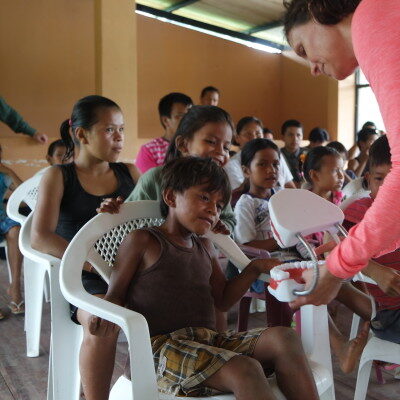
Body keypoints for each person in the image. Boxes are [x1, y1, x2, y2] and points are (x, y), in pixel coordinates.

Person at [90, 157, 319, 400]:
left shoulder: (205, 246)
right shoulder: (144, 240)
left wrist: (252, 269)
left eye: (220, 204)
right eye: (204, 198)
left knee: (285, 337)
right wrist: (103, 315)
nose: (214, 209)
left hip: (209, 342)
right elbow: (115, 294)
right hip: (158, 352)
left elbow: (221, 300)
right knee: (245, 368)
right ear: (170, 198)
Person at [282, 0, 400, 308]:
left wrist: (338, 267)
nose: (312, 69)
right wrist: (351, 253)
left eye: (303, 49)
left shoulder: (371, 18)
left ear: (317, 10)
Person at [30, 95, 140, 400]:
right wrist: (95, 265)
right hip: (85, 277)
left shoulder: (129, 173)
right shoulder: (59, 176)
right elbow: (40, 236)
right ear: (81, 134)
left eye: (122, 129)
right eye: (109, 130)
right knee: (100, 320)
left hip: (131, 270)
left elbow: (148, 224)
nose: (119, 137)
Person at [99, 105, 236, 233]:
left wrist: (221, 227)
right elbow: (126, 222)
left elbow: (230, 221)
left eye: (226, 148)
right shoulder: (156, 178)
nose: (221, 152)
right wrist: (114, 211)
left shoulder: (219, 187)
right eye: (211, 142)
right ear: (183, 144)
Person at [224, 117, 295, 192]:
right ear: (237, 138)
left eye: (258, 134)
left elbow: (290, 185)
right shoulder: (231, 164)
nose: (254, 138)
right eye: (248, 134)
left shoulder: (275, 155)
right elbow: (239, 192)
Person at [135, 92, 193, 173]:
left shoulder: (198, 145)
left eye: (190, 115)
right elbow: (152, 183)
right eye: (180, 116)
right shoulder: (149, 151)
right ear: (166, 120)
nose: (188, 120)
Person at [0, 145, 24, 318]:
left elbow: (25, 193)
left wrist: (8, 171)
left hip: (2, 216)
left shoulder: (4, 174)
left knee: (16, 229)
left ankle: (15, 287)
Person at [280, 119, 306, 188]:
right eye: (290, 135)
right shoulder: (278, 155)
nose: (295, 139)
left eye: (298, 135)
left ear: (302, 137)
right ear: (283, 137)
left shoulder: (308, 154)